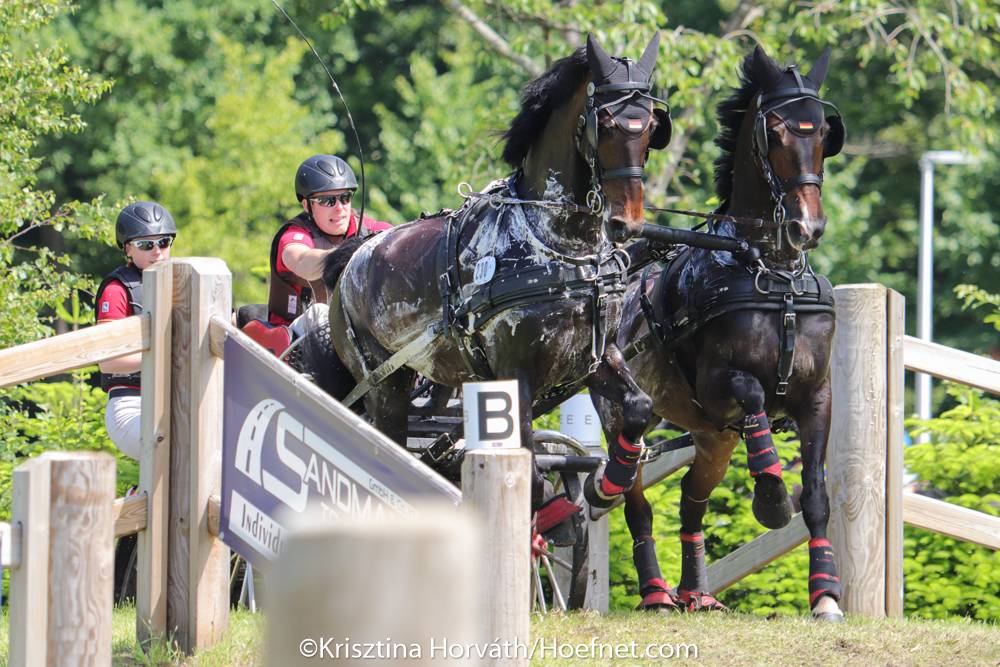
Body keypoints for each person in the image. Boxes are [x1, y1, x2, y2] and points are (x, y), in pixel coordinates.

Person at [267, 154, 392, 327]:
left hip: (355, 333)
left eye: (345, 197)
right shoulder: (295, 233)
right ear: (307, 205)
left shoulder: (373, 229)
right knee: (319, 313)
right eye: (327, 201)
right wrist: (345, 254)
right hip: (293, 335)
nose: (340, 208)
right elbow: (301, 260)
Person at [95, 200, 176, 460]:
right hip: (131, 401)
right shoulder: (116, 289)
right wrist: (167, 354)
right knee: (170, 445)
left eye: (164, 242)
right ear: (128, 248)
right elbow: (108, 362)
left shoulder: (183, 281)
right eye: (146, 245)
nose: (157, 251)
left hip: (177, 398)